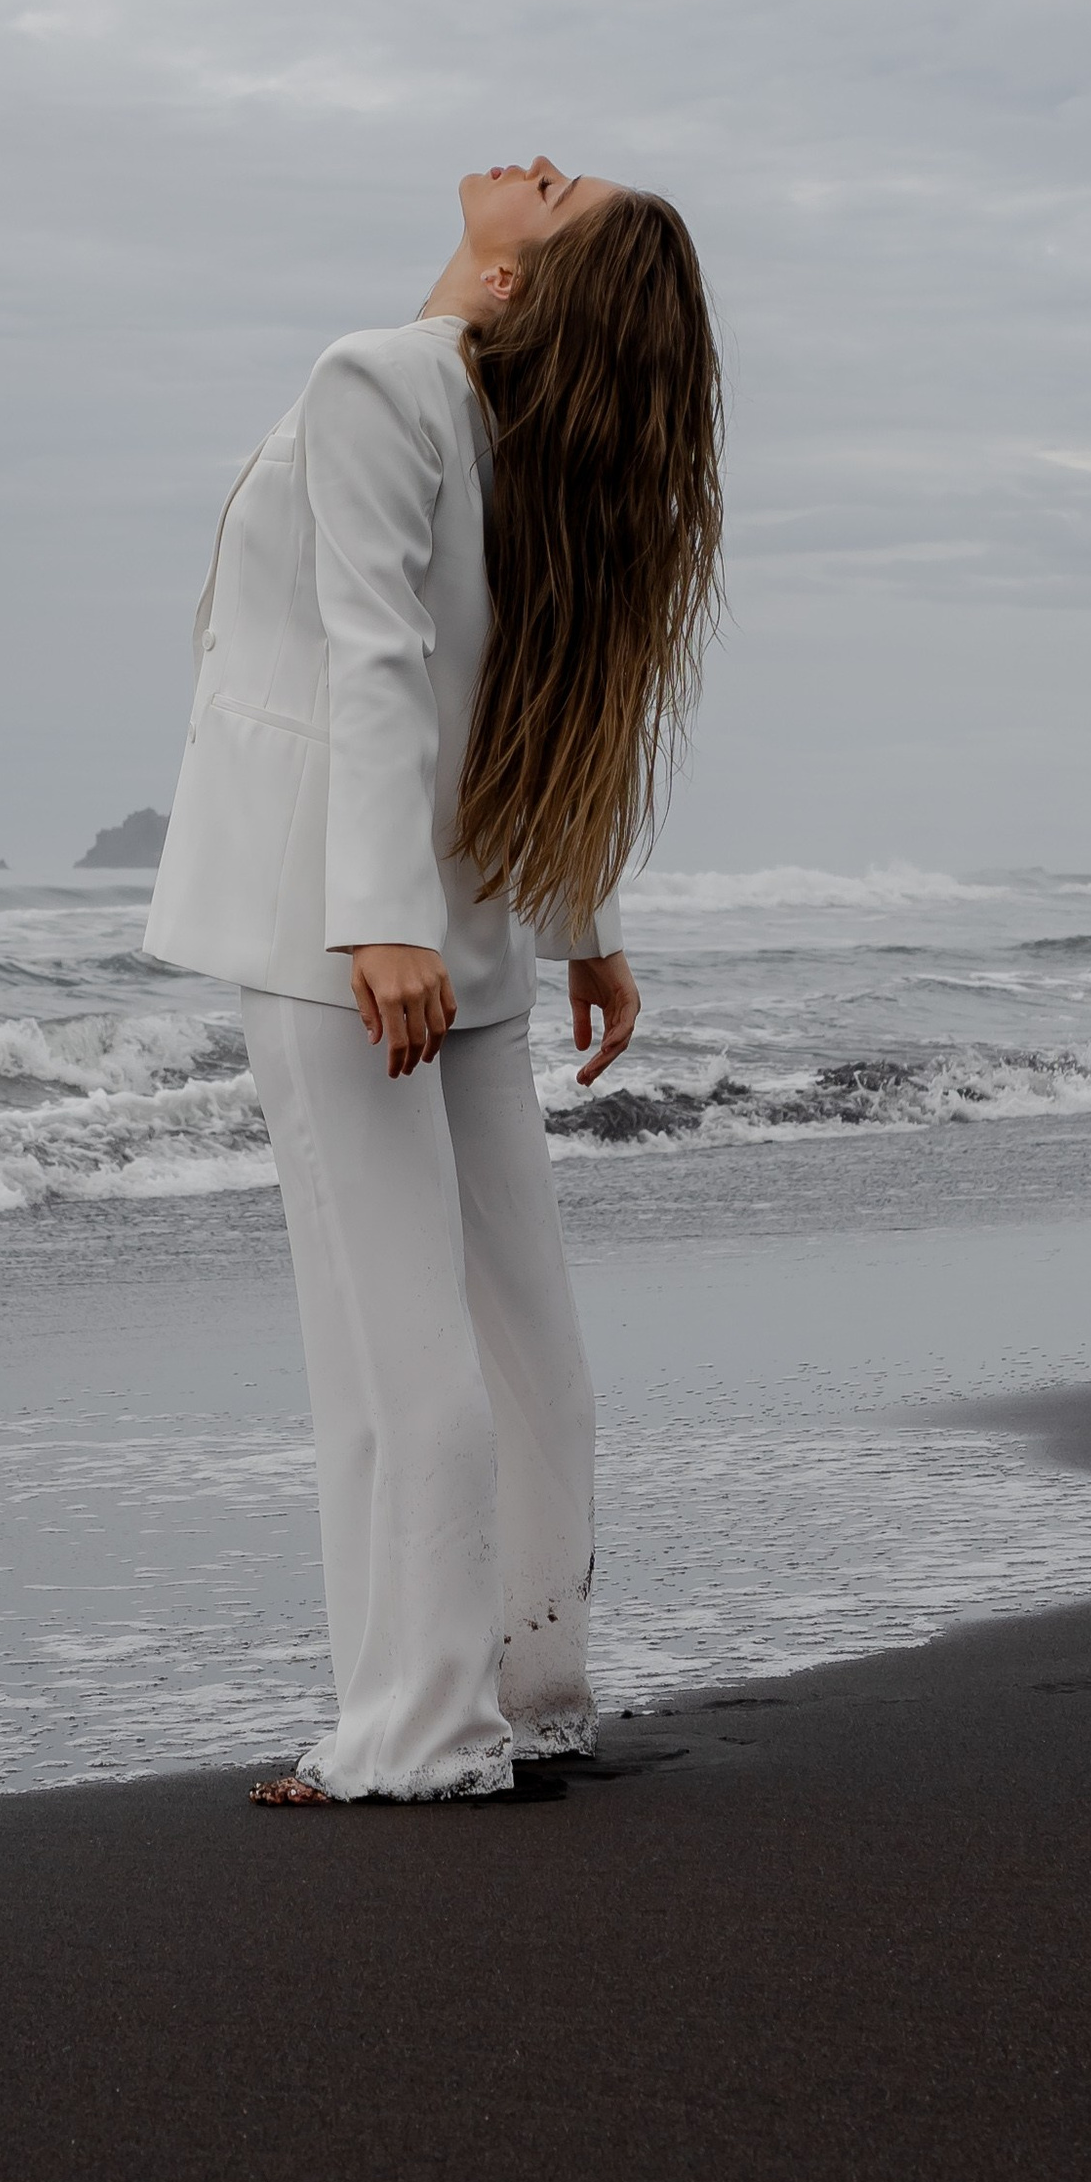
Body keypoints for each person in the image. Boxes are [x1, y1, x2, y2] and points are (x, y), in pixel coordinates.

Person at [145, 161, 723, 1802]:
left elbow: (384, 658)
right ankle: (528, 1683)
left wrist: (376, 917)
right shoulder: (482, 406)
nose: (541, 164)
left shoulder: (377, 380)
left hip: (345, 931)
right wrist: (579, 917)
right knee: (517, 1334)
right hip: (443, 919)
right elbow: (537, 684)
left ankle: (416, 1735)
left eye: (569, 193)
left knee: (389, 1354)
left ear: (540, 278)